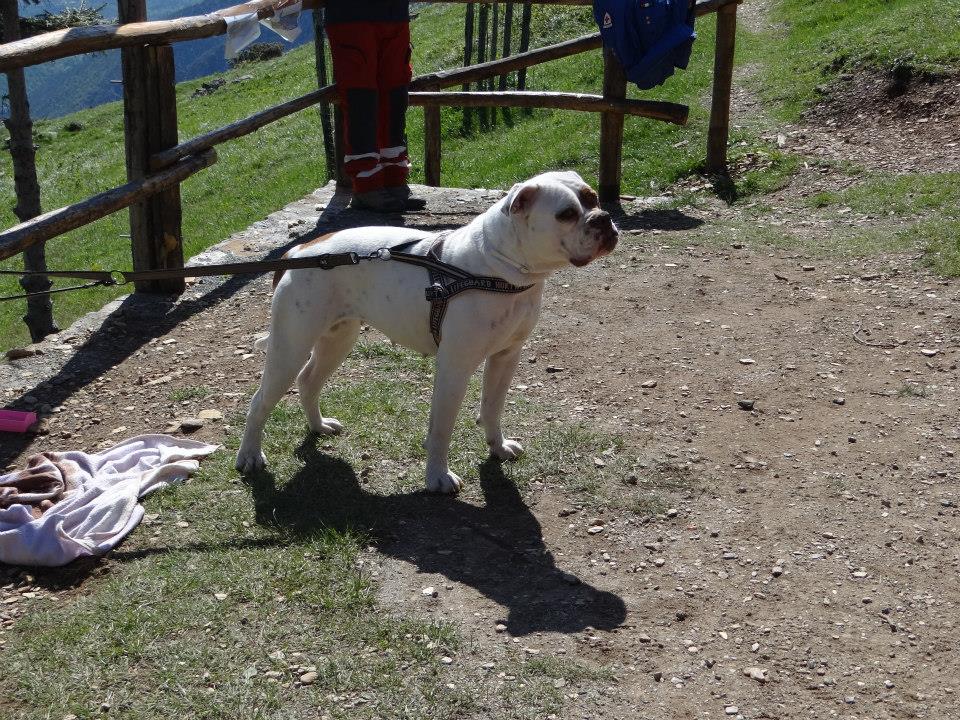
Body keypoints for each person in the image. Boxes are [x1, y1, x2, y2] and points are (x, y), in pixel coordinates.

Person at [325, 0, 423, 212]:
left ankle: (394, 181)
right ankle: (367, 185)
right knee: (361, 100)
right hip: (351, 16)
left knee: (395, 98)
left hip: (394, 14)